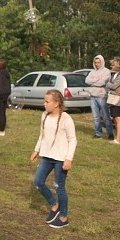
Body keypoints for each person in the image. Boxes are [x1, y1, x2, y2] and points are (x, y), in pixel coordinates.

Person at [30, 89, 77, 229]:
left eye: (47, 101)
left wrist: (68, 159)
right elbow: (42, 135)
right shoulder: (44, 115)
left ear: (56, 103)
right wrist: (36, 149)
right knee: (38, 182)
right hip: (47, 156)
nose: (44, 104)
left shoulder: (66, 119)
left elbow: (73, 140)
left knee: (59, 187)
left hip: (61, 159)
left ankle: (63, 217)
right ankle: (54, 205)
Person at [85, 54, 115, 140]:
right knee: (96, 117)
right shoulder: (92, 71)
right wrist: (95, 81)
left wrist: (93, 82)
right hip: (93, 96)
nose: (97, 64)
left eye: (98, 62)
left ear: (102, 62)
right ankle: (98, 133)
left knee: (106, 116)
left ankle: (110, 133)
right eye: (96, 62)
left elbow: (103, 82)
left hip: (102, 95)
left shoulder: (106, 71)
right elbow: (87, 80)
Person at [105, 57, 120, 145]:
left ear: (118, 65)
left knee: (118, 118)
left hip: (118, 99)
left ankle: (118, 139)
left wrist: (107, 83)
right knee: (114, 117)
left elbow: (114, 86)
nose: (111, 66)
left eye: (113, 65)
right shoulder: (116, 74)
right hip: (113, 98)